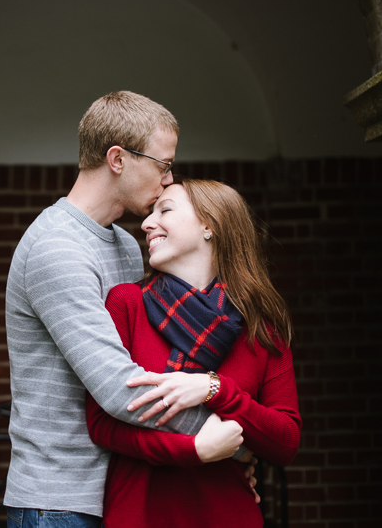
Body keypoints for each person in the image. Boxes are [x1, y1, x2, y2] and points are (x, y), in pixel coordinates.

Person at [4, 92, 248, 528]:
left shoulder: (123, 244)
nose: (170, 180)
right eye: (162, 164)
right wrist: (229, 439)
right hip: (58, 501)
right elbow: (122, 388)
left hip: (123, 490)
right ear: (118, 158)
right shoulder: (56, 248)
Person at [86, 179, 302, 528]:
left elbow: (286, 440)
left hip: (227, 513)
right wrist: (197, 451)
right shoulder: (127, 303)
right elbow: (101, 425)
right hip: (140, 514)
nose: (146, 223)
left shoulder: (260, 326)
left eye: (165, 210)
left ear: (209, 225)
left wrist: (214, 389)